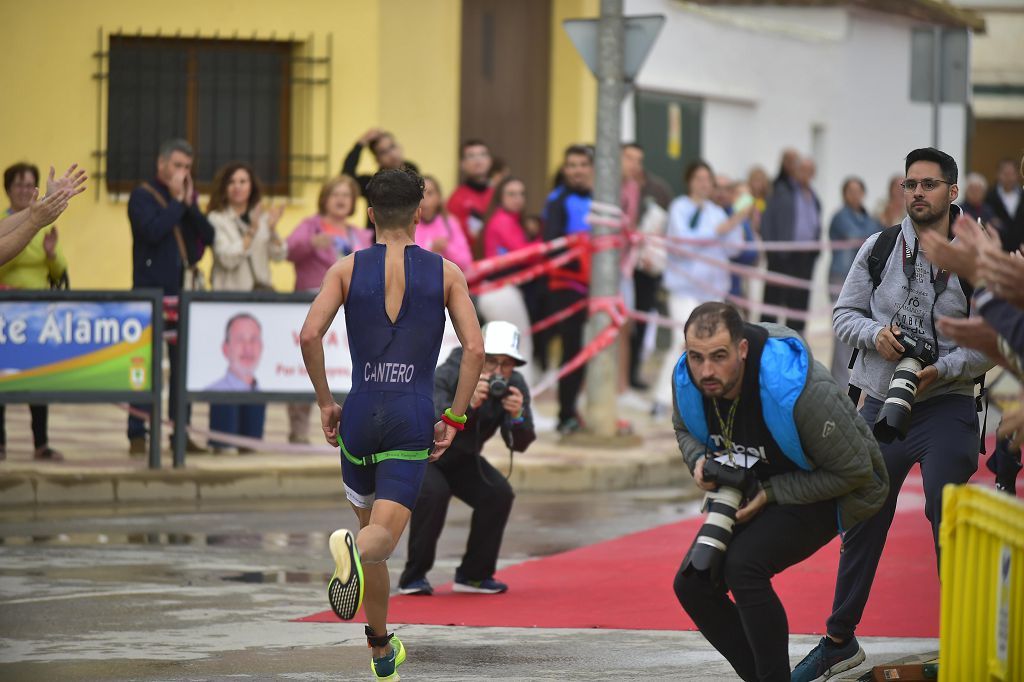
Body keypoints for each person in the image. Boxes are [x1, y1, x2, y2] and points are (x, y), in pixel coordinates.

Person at [792, 148, 994, 681]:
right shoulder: (879, 248)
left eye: (929, 184)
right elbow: (843, 314)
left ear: (952, 193)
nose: (918, 193)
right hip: (880, 400)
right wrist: (875, 336)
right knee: (862, 516)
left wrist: (942, 369)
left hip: (946, 404)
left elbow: (992, 343)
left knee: (946, 514)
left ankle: (964, 643)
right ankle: (839, 641)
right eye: (911, 184)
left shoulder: (974, 257)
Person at [299, 167, 483, 681]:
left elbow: (310, 336)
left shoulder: (344, 269)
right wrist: (455, 416)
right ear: (420, 213)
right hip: (411, 415)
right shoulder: (447, 273)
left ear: (371, 213)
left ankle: (381, 648)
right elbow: (475, 348)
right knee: (377, 543)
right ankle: (351, 552)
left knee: (372, 546)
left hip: (359, 412)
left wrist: (325, 404)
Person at [672, 302, 887, 682]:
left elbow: (858, 471)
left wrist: (771, 493)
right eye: (696, 357)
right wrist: (698, 462)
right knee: (692, 583)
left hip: (825, 487)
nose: (706, 370)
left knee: (744, 566)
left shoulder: (797, 389)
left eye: (719, 357)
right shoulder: (690, 380)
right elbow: (684, 426)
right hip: (754, 484)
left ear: (741, 350)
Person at [398, 320, 535, 596]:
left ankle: (474, 575)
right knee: (435, 493)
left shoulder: (514, 385)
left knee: (498, 494)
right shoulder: (449, 373)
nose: (498, 372)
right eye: (491, 362)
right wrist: (467, 405)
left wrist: (517, 417)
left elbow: (519, 444)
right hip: (426, 454)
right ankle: (413, 577)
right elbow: (433, 422)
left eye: (506, 364)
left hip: (463, 458)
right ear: (478, 356)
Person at [127, 138, 214, 455]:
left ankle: (181, 433)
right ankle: (137, 434)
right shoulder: (141, 196)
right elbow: (152, 231)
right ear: (161, 165)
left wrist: (189, 205)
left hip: (182, 297)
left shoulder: (185, 201)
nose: (183, 172)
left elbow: (209, 236)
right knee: (144, 367)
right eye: (178, 165)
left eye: (188, 167)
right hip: (149, 295)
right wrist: (178, 202)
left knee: (181, 370)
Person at [653, 160, 748, 416]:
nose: (704, 184)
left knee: (712, 347)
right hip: (684, 290)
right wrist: (722, 229)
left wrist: (738, 219)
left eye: (708, 179)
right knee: (683, 343)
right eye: (699, 178)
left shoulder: (717, 212)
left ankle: (703, 399)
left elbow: (734, 247)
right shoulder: (679, 208)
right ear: (690, 181)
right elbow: (685, 244)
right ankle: (663, 399)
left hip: (713, 291)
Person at [286, 175, 372, 443]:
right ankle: (298, 429)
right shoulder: (310, 225)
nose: (341, 199)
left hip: (351, 310)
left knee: (344, 366)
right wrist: (311, 244)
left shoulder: (361, 233)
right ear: (324, 197)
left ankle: (351, 427)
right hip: (313, 305)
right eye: (336, 193)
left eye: (347, 195)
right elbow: (289, 251)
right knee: (306, 367)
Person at [0, 162, 74, 462]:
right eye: (18, 184)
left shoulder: (28, 222)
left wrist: (42, 212)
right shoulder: (16, 223)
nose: (22, 189)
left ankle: (41, 442)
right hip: (6, 313)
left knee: (36, 378)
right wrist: (35, 219)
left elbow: (58, 270)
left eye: (28, 184)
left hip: (34, 313)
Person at [542, 144, 594, 435]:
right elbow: (553, 247)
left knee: (590, 351)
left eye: (582, 164)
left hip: (596, 288)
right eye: (571, 165)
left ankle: (576, 408)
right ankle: (565, 414)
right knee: (572, 352)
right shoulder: (557, 200)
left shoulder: (598, 198)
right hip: (567, 287)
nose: (576, 170)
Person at [476, 177, 537, 386]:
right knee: (517, 350)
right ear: (500, 197)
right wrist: (541, 240)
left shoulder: (508, 220)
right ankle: (524, 410)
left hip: (500, 291)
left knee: (505, 353)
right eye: (511, 194)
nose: (518, 199)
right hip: (500, 291)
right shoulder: (503, 220)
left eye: (521, 194)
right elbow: (527, 255)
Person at [621, 142, 671, 390]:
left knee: (637, 325)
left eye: (638, 159)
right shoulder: (614, 187)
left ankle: (630, 376)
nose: (634, 164)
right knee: (621, 326)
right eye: (629, 158)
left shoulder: (657, 188)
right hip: (622, 266)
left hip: (645, 266)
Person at [828, 177, 881, 385]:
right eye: (850, 191)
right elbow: (862, 237)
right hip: (841, 276)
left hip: (864, 277)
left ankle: (856, 379)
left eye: (858, 191)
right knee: (842, 328)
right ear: (844, 194)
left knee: (859, 328)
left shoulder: (870, 218)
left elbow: (875, 237)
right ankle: (840, 381)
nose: (855, 195)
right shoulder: (840, 217)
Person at [760, 154, 821, 334]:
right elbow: (767, 220)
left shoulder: (813, 196)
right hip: (783, 254)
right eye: (802, 170)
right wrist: (772, 251)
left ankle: (795, 341)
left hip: (805, 257)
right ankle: (766, 339)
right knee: (773, 301)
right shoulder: (782, 190)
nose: (805, 175)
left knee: (799, 304)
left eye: (810, 171)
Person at [207, 163, 287, 292]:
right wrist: (251, 233)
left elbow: (279, 256)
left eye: (243, 181)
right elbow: (226, 259)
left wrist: (272, 230)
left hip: (260, 297)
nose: (237, 186)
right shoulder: (216, 219)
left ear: (251, 187)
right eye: (231, 182)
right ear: (224, 188)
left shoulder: (262, 218)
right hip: (227, 297)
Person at [204, 314, 265, 453]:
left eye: (253, 340)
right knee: (223, 446)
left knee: (251, 445)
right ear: (225, 348)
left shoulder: (267, 385)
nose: (247, 348)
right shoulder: (212, 387)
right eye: (240, 340)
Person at [414, 176, 474, 271]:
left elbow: (466, 262)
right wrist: (431, 251)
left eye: (430, 193)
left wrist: (447, 247)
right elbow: (409, 264)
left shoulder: (450, 222)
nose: (424, 199)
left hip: (446, 281)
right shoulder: (410, 225)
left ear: (439, 197)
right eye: (420, 194)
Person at [341, 128, 419, 197]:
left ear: (400, 147)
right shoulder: (372, 185)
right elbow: (347, 179)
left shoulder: (413, 171)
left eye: (392, 146)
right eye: (383, 152)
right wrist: (361, 143)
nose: (392, 154)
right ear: (377, 160)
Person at [446, 139, 494, 247]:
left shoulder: (499, 195)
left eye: (483, 154)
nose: (478, 160)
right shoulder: (456, 200)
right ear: (462, 164)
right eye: (471, 156)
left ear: (490, 161)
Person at [985, 157, 1024, 253]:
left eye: (1012, 174)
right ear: (998, 174)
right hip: (997, 250)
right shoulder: (988, 197)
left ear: (1018, 175)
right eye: (1005, 174)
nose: (1008, 178)